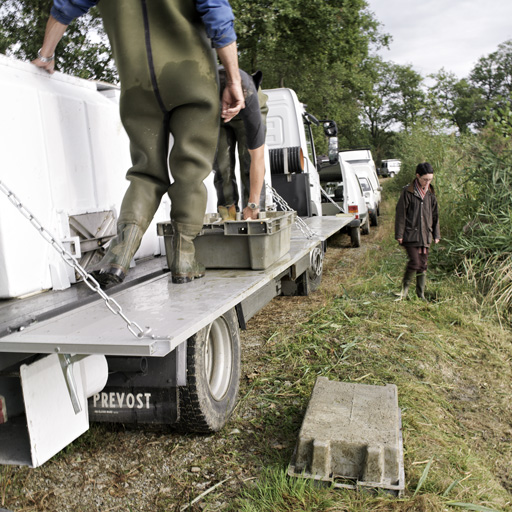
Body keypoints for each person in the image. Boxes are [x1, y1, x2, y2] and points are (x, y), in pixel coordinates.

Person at [33, 0, 245, 285]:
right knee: (191, 170)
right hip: (191, 75)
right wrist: (233, 79)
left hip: (137, 80)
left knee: (145, 172)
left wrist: (46, 56)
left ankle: (119, 254)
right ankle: (183, 257)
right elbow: (217, 13)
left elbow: (64, 7)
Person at [214, 67, 268, 221]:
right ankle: (227, 218)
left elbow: (257, 159)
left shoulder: (250, 102)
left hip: (245, 109)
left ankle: (254, 216)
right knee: (222, 166)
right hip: (217, 115)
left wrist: (253, 204)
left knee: (248, 162)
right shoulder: (201, 85)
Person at [395, 162, 440, 299]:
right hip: (410, 235)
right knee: (415, 262)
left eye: (430, 180)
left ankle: (420, 295)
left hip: (425, 235)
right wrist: (399, 234)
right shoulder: (408, 192)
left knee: (423, 265)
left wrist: (436, 234)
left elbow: (435, 215)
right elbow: (401, 214)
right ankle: (404, 291)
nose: (427, 182)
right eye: (425, 179)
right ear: (417, 176)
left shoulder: (431, 194)